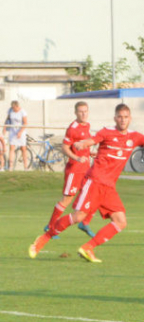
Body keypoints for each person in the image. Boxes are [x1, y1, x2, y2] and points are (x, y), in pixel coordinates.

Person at [29, 103, 144, 262]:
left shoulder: (135, 137)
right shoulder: (106, 132)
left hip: (109, 187)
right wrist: (83, 143)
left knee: (121, 222)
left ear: (130, 118)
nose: (123, 120)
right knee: (78, 217)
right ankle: (44, 238)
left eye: (126, 117)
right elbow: (92, 140)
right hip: (95, 181)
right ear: (115, 118)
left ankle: (87, 248)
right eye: (120, 117)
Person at [43, 101, 97, 238]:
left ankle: (84, 223)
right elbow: (65, 147)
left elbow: (80, 145)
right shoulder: (72, 128)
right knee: (67, 200)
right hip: (74, 170)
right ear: (76, 113)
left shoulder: (87, 125)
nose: (84, 114)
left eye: (86, 111)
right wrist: (77, 158)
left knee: (94, 195)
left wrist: (89, 153)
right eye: (81, 111)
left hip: (86, 169)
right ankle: (50, 226)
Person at [6, 101, 29, 171]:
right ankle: (10, 167)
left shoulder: (22, 112)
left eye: (14, 107)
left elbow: (25, 123)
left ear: (17, 106)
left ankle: (25, 167)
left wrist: (20, 132)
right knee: (12, 148)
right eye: (12, 107)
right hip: (13, 132)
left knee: (23, 149)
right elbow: (7, 119)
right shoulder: (10, 111)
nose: (13, 109)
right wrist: (5, 128)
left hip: (21, 132)